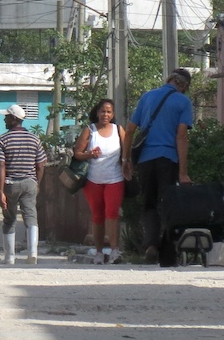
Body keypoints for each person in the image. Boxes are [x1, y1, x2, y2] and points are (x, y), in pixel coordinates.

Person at [123, 69, 194, 264]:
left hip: (145, 160)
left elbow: (129, 130)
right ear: (184, 86)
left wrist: (126, 159)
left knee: (149, 204)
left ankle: (151, 245)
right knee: (169, 205)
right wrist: (183, 173)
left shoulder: (147, 97)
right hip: (168, 159)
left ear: (169, 79)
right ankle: (168, 254)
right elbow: (181, 136)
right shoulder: (183, 102)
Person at [72, 99, 127, 264]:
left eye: (109, 112)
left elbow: (126, 152)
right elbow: (77, 154)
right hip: (93, 180)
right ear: (97, 113)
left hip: (115, 179)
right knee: (97, 216)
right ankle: (98, 252)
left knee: (112, 214)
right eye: (103, 111)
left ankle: (115, 251)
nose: (106, 115)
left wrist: (127, 165)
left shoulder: (119, 130)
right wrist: (89, 154)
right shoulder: (90, 130)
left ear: (113, 114)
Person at [0, 104, 46, 265]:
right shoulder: (35, 139)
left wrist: (0, 191)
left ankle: (9, 257)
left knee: (9, 219)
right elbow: (41, 165)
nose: (4, 119)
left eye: (7, 116)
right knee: (31, 217)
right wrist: (37, 183)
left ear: (14, 119)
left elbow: (1, 166)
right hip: (30, 182)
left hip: (10, 184)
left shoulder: (2, 139)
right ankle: (32, 254)